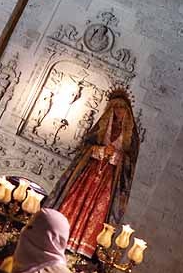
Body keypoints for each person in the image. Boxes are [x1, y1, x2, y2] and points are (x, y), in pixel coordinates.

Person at [45, 87, 139, 257]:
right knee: (76, 199)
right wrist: (100, 151)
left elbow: (130, 162)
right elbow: (85, 147)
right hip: (90, 172)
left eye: (121, 108)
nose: (118, 112)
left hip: (109, 178)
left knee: (97, 208)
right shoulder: (103, 126)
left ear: (127, 111)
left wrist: (117, 156)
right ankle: (59, 235)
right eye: (115, 108)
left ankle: (81, 248)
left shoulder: (131, 136)